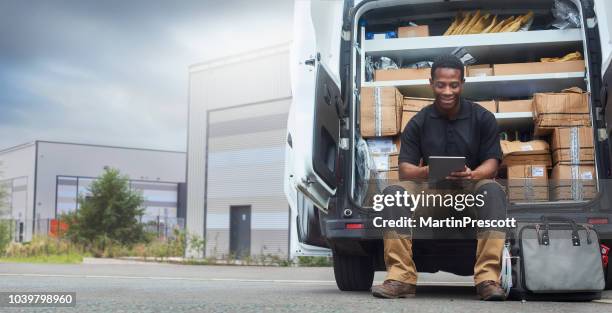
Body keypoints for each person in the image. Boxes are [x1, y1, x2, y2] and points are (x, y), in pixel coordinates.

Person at [370, 54, 508, 301]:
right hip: (431, 194)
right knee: (393, 194)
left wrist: (472, 174)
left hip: (470, 191)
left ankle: (488, 279)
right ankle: (401, 279)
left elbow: (493, 163)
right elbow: (405, 170)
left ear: (462, 84)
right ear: (431, 83)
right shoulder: (419, 121)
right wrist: (427, 171)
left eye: (454, 85)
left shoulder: (482, 118)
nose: (447, 91)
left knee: (493, 190)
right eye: (441, 84)